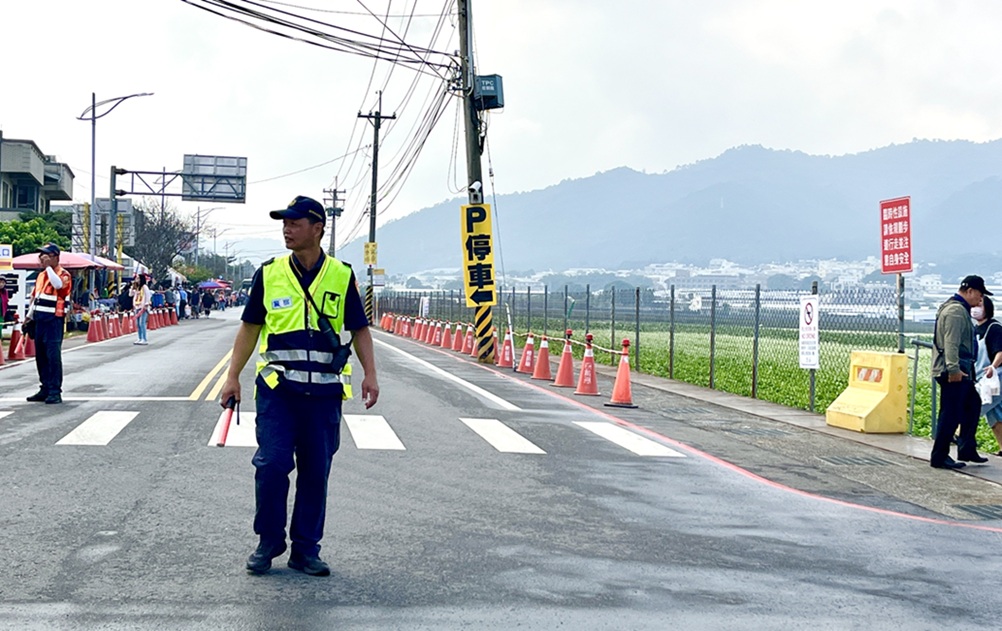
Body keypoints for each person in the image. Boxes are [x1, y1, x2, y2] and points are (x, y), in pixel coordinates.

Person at [220, 195, 379, 577]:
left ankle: (306, 549)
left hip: (323, 395)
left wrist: (371, 374)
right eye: (284, 223)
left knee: (314, 473)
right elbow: (250, 327)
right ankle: (269, 539)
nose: (286, 228)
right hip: (278, 391)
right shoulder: (269, 272)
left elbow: (359, 329)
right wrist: (232, 376)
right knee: (271, 466)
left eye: (294, 222)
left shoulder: (342, 275)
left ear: (317, 227)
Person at [931, 275, 992, 469]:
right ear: (970, 291)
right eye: (979, 295)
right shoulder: (956, 312)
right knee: (950, 413)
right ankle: (940, 456)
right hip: (954, 371)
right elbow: (951, 342)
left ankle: (967, 448)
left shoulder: (956, 308)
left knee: (972, 404)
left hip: (959, 369)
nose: (980, 300)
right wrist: (953, 369)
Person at [25, 243, 72, 405]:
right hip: (40, 320)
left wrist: (49, 268)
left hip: (54, 320)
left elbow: (58, 285)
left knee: (53, 356)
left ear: (55, 257)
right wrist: (29, 316)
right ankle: (45, 387)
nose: (42, 258)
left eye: (46, 255)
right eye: (41, 256)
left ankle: (54, 391)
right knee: (41, 356)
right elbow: (36, 297)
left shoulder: (63, 274)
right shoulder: (41, 276)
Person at [974, 296, 1002, 456]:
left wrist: (993, 366)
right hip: (982, 377)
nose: (976, 307)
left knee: (974, 407)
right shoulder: (976, 329)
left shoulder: (994, 328)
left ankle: (956, 435)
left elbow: (1000, 352)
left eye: (980, 304)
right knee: (995, 415)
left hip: (996, 377)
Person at [131, 275, 152, 345]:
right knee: (137, 324)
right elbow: (130, 294)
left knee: (141, 323)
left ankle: (144, 338)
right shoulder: (137, 288)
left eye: (138, 278)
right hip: (137, 306)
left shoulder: (145, 287)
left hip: (143, 307)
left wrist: (146, 304)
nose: (136, 279)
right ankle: (139, 338)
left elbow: (148, 295)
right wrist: (132, 287)